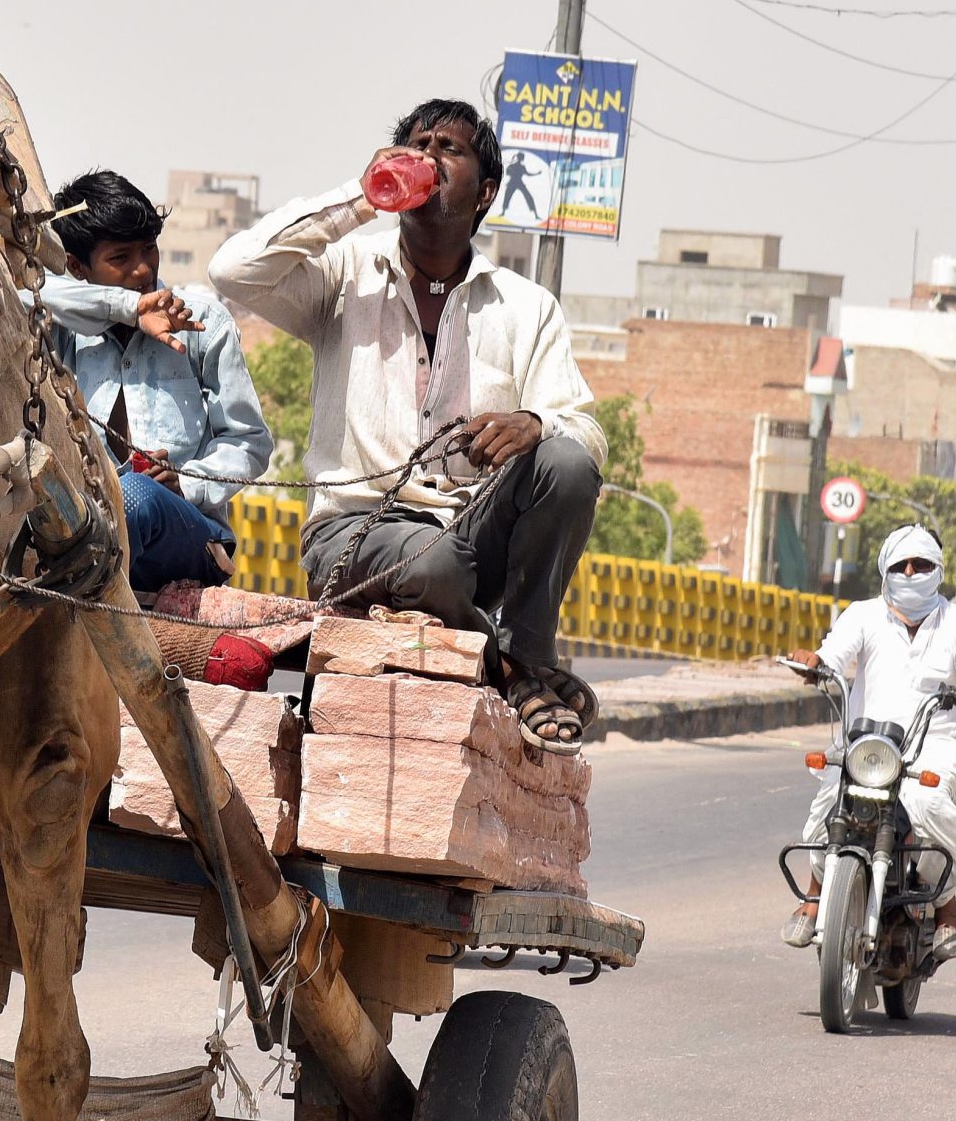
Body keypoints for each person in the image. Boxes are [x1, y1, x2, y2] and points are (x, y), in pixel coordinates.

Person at [209, 98, 607, 750]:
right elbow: (232, 270)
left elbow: (587, 436)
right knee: (437, 563)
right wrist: (363, 198)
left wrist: (533, 424)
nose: (427, 157)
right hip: (354, 533)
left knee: (564, 463)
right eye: (416, 145)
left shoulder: (525, 306)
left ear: (485, 192)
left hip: (474, 534)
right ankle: (516, 673)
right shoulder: (345, 279)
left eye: (447, 149)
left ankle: (528, 654)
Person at [37, 169, 270, 593]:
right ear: (76, 265)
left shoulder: (203, 321)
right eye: (120, 258)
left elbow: (249, 442)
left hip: (188, 537)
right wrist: (125, 308)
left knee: (136, 496)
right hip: (87, 531)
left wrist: (186, 478)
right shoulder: (63, 330)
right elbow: (23, 292)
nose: (143, 269)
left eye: (149, 249)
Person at [779, 525, 956, 951]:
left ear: (938, 570)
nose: (911, 573)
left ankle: (947, 904)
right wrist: (813, 663)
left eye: (922, 565)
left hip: (934, 744)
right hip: (869, 743)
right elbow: (833, 653)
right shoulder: (863, 614)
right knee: (830, 799)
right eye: (902, 565)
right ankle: (816, 894)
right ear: (885, 571)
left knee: (933, 808)